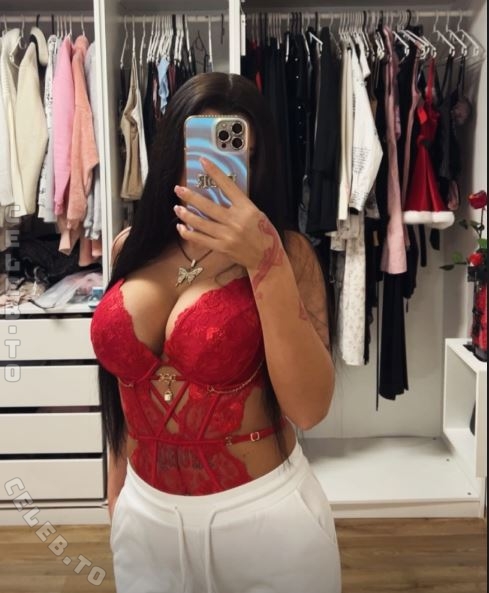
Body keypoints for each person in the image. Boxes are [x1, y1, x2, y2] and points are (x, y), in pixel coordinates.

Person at [90, 72, 341, 593]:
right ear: (171, 153)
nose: (211, 166)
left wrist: (265, 261)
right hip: (145, 519)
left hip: (263, 523)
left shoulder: (288, 253)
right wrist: (117, 493)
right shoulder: (128, 248)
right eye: (196, 147)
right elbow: (120, 388)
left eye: (233, 148)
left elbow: (309, 408)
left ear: (256, 159)